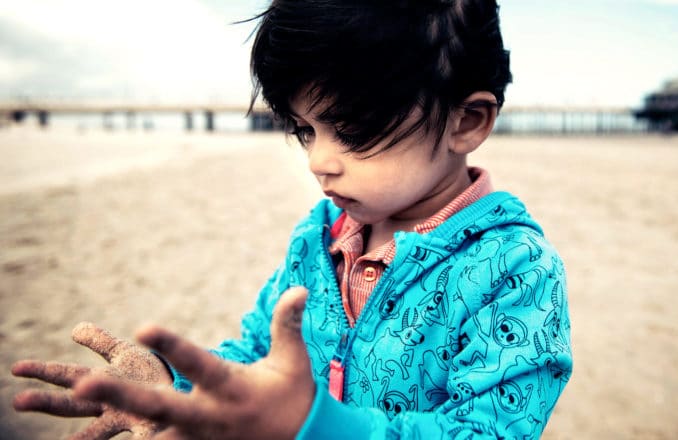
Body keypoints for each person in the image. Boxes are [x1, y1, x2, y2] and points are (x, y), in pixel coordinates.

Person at [12, 0, 572, 438]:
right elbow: (259, 354)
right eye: (306, 130)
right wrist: (173, 384)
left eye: (351, 130)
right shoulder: (318, 238)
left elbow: (491, 431)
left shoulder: (514, 271)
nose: (317, 161)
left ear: (467, 122)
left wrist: (312, 425)